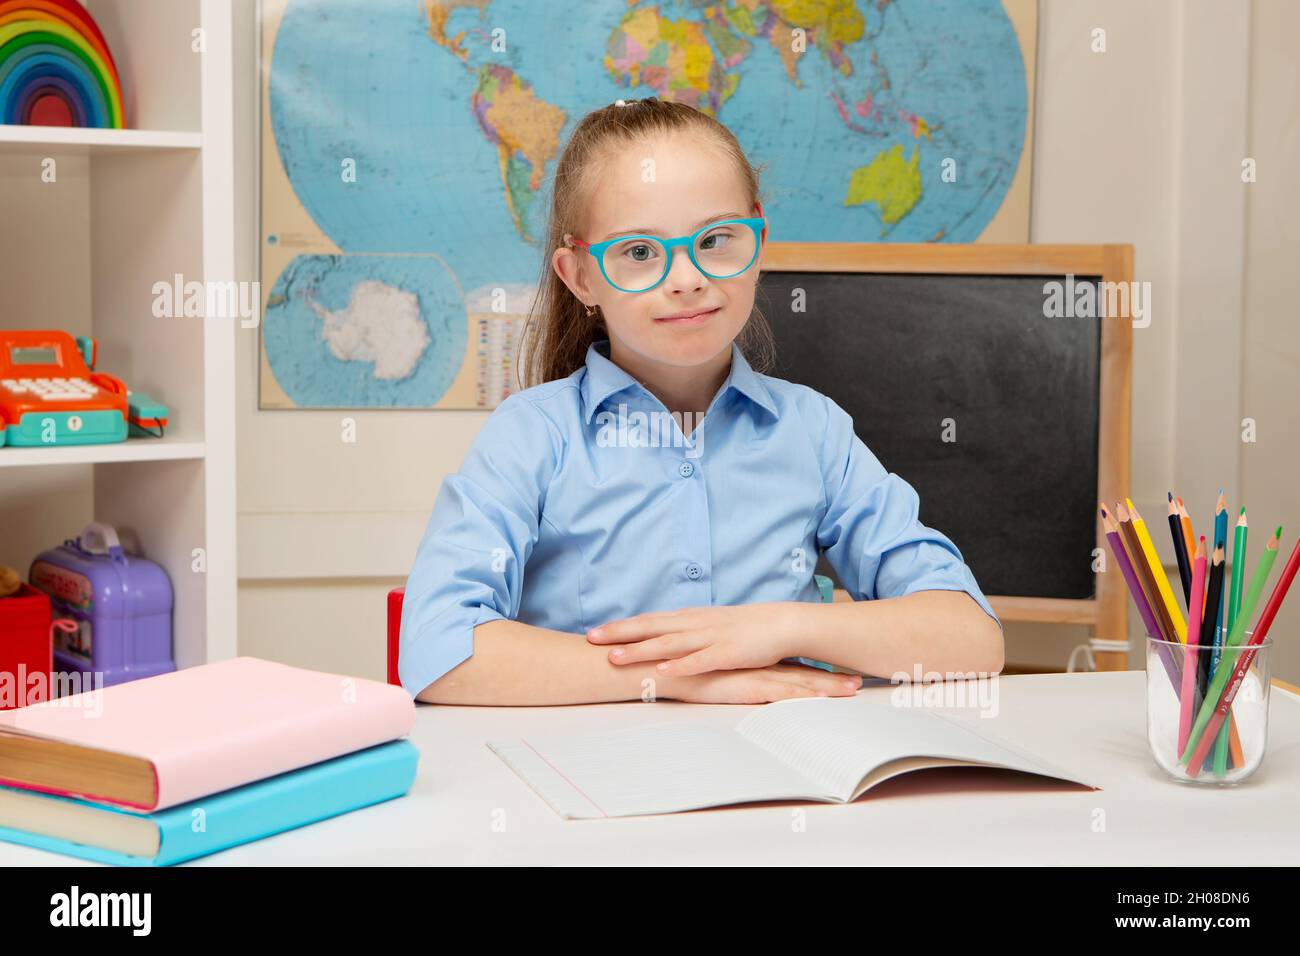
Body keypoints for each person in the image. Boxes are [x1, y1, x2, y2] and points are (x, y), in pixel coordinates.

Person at [399, 97, 1003, 705]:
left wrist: (776, 628)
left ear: (758, 240)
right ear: (580, 276)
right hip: (590, 778)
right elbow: (436, 648)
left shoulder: (812, 429)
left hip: (781, 774)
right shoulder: (531, 436)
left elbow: (971, 638)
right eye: (639, 252)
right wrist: (681, 675)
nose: (686, 278)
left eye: (716, 239)